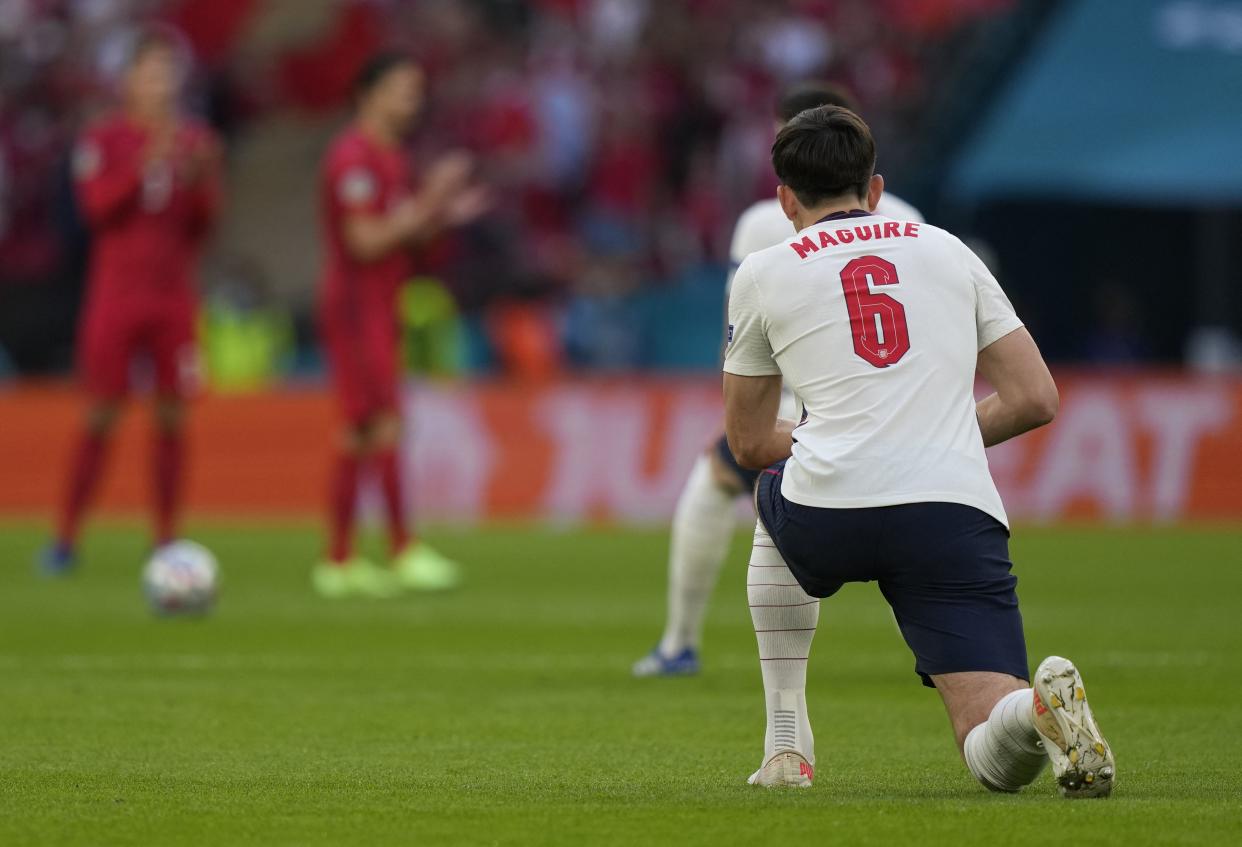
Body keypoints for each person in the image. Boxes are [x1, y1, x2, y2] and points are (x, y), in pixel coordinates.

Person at [724, 105, 1114, 797]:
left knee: (770, 492)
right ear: (874, 189)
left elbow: (750, 440)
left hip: (828, 505)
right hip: (948, 507)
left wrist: (837, 436)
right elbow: (1034, 397)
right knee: (986, 736)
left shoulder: (761, 271)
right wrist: (936, 430)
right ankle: (1030, 707)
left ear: (785, 199)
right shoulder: (947, 248)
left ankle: (786, 744)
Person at [634, 82, 922, 677]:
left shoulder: (766, 221)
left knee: (719, 480)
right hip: (894, 406)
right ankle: (939, 649)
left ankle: (678, 644)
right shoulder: (912, 222)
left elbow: (739, 336)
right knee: (909, 531)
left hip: (798, 410)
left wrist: (738, 412)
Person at [43, 28, 221, 573]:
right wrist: (147, 163)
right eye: (150, 72)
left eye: (168, 73)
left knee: (171, 416)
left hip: (172, 299)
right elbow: (95, 211)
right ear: (128, 81)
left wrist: (196, 180)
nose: (160, 84)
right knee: (101, 413)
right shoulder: (104, 141)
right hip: (116, 296)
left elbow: (204, 224)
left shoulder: (194, 142)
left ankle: (167, 536)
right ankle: (67, 537)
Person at [313, 53, 488, 598]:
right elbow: (366, 241)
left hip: (380, 299)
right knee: (375, 423)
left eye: (416, 90)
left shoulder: (389, 157)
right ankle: (385, 551)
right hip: (355, 302)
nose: (412, 101)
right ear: (368, 94)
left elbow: (405, 237)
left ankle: (345, 559)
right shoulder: (354, 158)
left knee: (369, 425)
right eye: (401, 90)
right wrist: (432, 199)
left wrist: (440, 214)